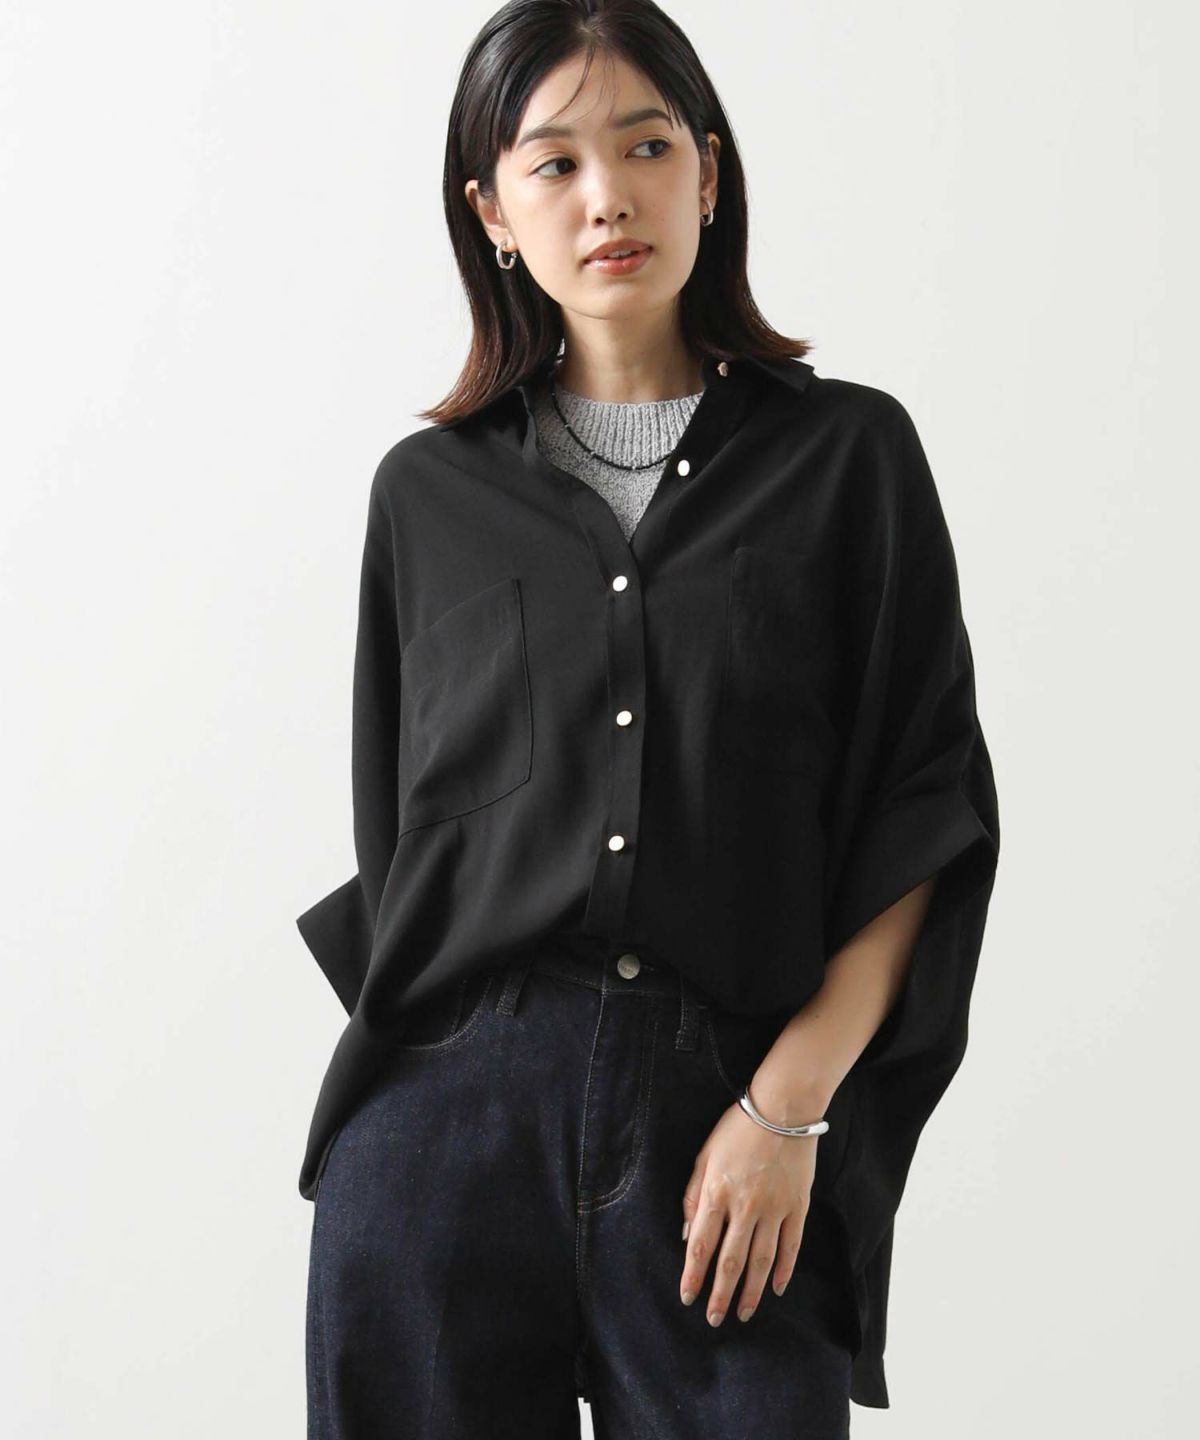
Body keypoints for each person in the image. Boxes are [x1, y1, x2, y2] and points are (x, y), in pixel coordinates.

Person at [297, 3, 1001, 1436]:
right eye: (553, 164)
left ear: (709, 174)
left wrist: (788, 1107)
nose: (606, 196)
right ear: (493, 214)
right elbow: (399, 835)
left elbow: (923, 812)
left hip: (728, 1123)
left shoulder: (850, 459)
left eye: (646, 146)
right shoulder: (426, 496)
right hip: (446, 1129)